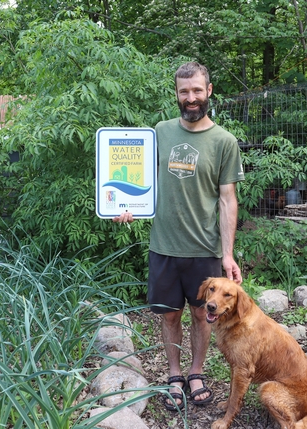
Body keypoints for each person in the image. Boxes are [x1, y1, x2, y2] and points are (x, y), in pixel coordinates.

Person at [113, 61, 245, 411]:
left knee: (202, 314)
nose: (191, 98)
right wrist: (126, 204)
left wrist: (228, 255)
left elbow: (228, 199)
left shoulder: (224, 141)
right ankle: (174, 374)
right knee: (169, 315)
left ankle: (196, 372)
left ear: (209, 91)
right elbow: (139, 177)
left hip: (204, 248)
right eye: (184, 92)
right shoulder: (159, 131)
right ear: (177, 94)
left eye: (197, 91)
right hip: (165, 246)